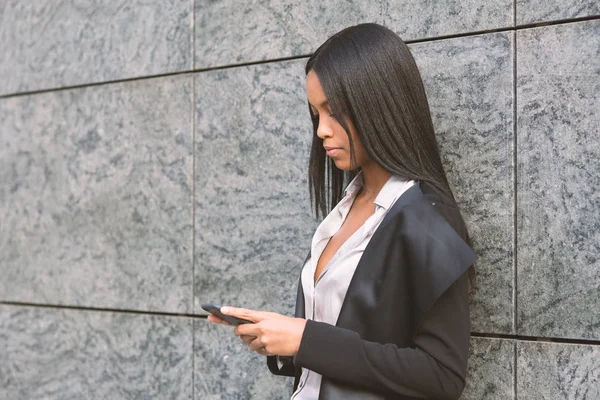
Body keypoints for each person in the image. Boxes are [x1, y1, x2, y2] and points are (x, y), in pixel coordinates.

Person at [207, 22, 477, 400]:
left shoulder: (426, 217)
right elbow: (340, 343)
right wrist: (281, 339)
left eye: (333, 112)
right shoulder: (343, 211)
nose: (321, 130)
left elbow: (441, 376)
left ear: (378, 105)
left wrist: (305, 339)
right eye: (316, 114)